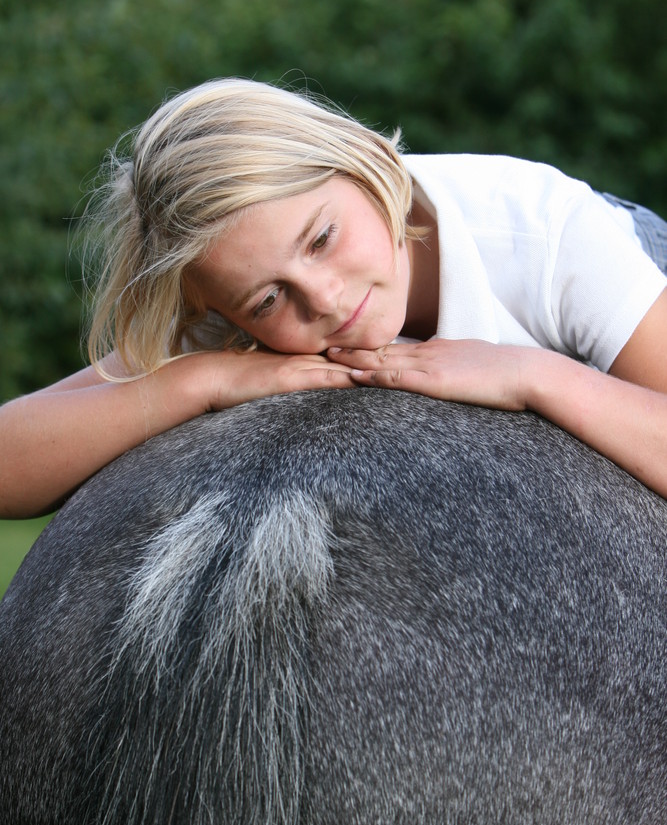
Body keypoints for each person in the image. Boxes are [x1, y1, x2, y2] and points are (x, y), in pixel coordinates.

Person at [1, 77, 666, 518]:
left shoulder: (548, 235)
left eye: (321, 238)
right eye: (267, 300)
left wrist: (534, 375)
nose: (320, 298)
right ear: (221, 313)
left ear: (360, 161)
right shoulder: (229, 302)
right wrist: (198, 380)